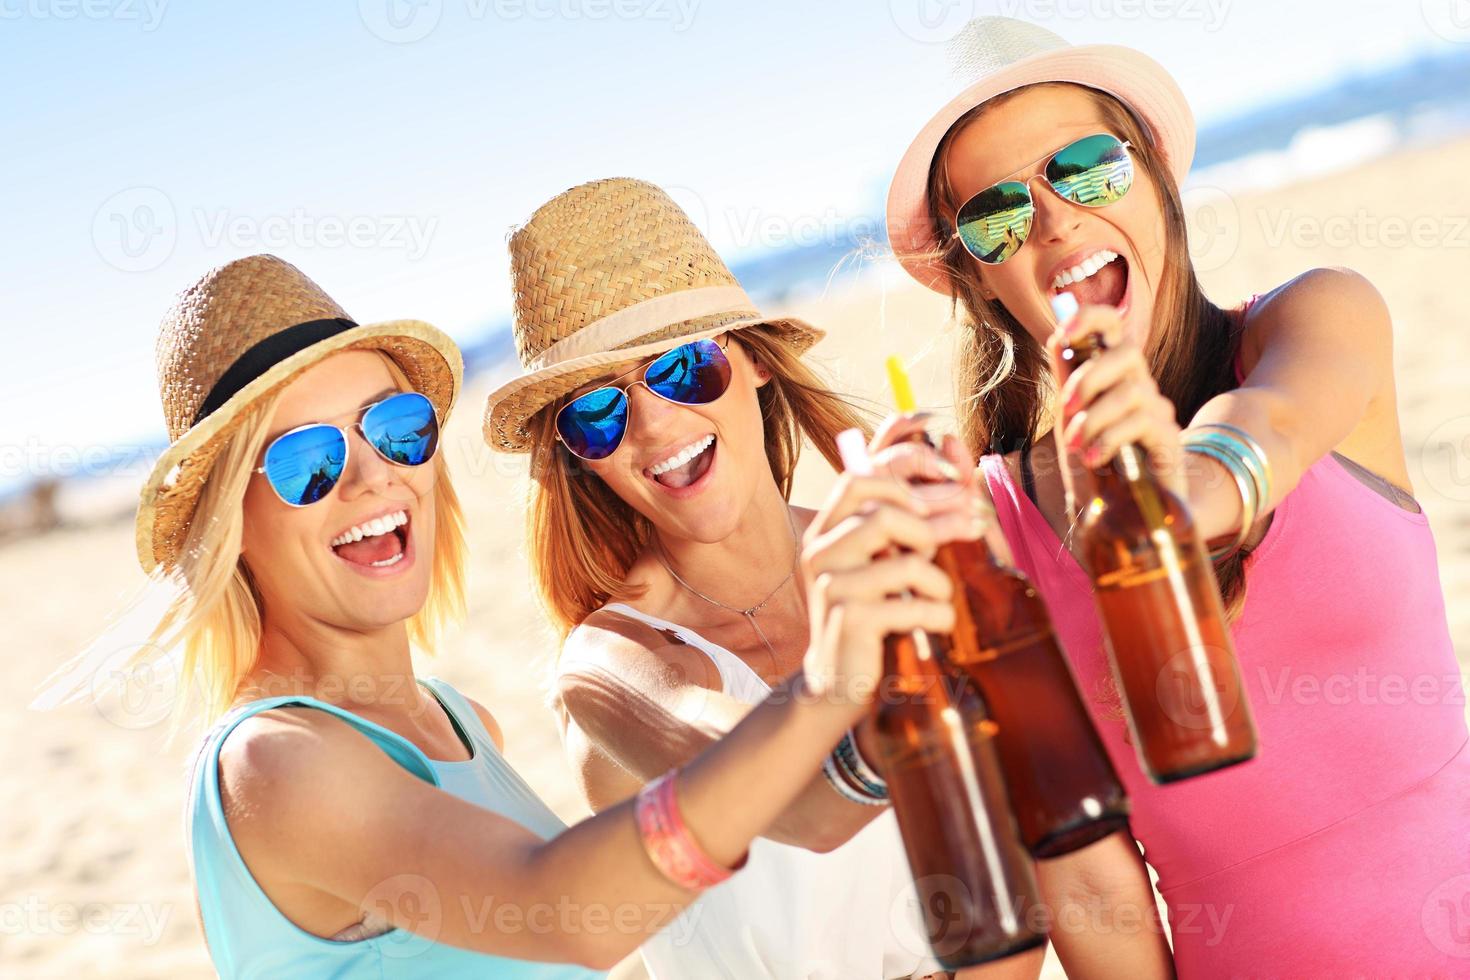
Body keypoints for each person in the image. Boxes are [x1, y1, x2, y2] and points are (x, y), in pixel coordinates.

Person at [110, 253, 970, 978]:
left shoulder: (458, 723)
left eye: (395, 428)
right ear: (229, 528)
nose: (373, 478)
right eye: (305, 461)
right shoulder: (275, 764)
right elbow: (565, 911)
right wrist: (834, 681)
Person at [885, 16, 1470, 974]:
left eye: (1084, 167)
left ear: (1153, 173)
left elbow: (1268, 429)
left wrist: (1166, 493)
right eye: (996, 213)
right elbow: (1084, 876)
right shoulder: (990, 529)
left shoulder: (1317, 318)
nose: (1055, 219)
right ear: (981, 282)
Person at [482, 177, 1156, 978]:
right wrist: (866, 673)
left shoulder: (918, 554)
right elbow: (805, 808)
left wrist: (1000, 603)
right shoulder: (608, 668)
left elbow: (1073, 863)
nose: (654, 422)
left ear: (756, 364)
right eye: (595, 412)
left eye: (682, 368)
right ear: (575, 458)